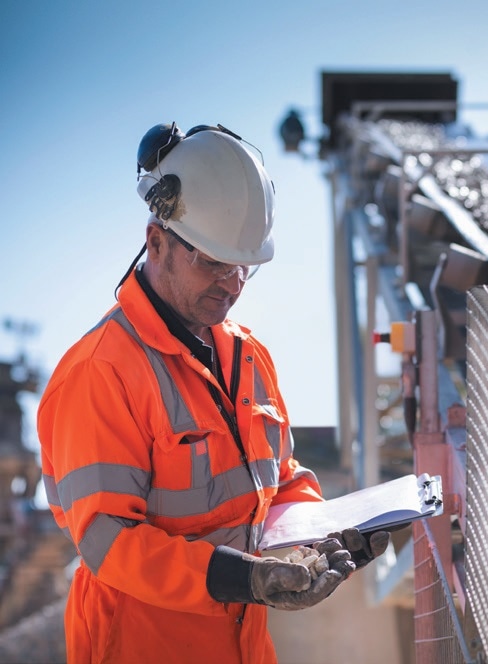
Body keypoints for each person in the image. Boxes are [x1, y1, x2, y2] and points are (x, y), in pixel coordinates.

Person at [37, 122, 390, 663]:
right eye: (214, 263)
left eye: (244, 267)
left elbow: (279, 482)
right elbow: (109, 540)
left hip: (242, 645)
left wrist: (325, 535)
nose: (232, 284)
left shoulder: (248, 356)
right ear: (156, 241)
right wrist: (243, 578)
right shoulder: (100, 371)